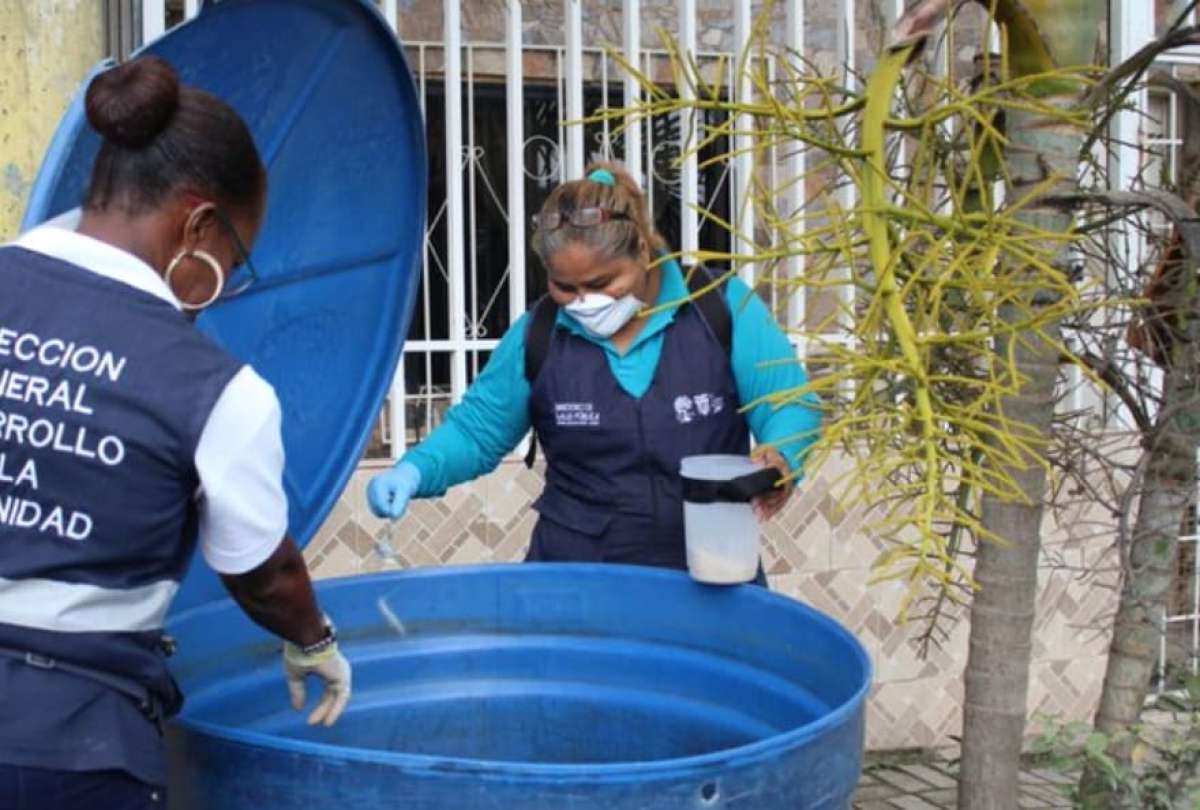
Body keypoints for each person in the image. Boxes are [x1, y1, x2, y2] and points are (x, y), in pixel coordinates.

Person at [0, 57, 351, 810]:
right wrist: (313, 640)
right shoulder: (216, 389)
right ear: (197, 226)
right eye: (233, 257)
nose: (225, 280)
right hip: (72, 752)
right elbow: (263, 574)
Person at [369, 162, 822, 575]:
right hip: (576, 579)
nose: (585, 301)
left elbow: (789, 403)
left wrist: (779, 457)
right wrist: (414, 471)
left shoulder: (719, 308)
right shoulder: (540, 332)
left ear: (642, 251)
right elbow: (476, 433)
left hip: (710, 572)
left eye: (603, 283)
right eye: (564, 287)